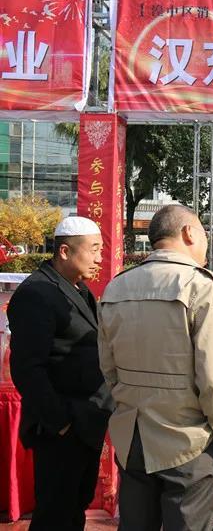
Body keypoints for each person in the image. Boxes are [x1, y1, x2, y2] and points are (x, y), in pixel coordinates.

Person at [98, 205, 213, 531]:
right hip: (189, 441)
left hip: (133, 436)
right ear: (189, 233)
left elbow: (108, 368)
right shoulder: (201, 286)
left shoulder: (116, 287)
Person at [8, 216, 113, 531]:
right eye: (93, 249)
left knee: (74, 508)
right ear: (65, 251)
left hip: (85, 423)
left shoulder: (78, 289)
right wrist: (62, 423)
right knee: (55, 514)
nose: (99, 258)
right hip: (62, 428)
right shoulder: (37, 293)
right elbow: (27, 368)